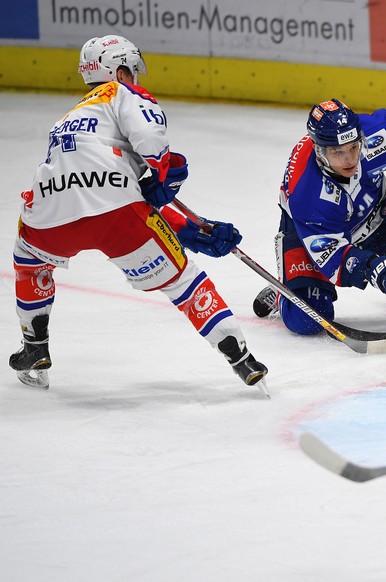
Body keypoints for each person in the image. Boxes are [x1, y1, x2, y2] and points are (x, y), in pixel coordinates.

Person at [10, 35, 267, 392]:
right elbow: (143, 153)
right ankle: (241, 359)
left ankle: (34, 348)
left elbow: (83, 188)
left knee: (29, 261)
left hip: (48, 209)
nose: (136, 79)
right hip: (116, 211)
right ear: (117, 70)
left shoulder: (67, 120)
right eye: (131, 70)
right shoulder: (122, 93)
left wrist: (186, 225)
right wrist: (163, 172)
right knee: (183, 282)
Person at [252, 99, 386, 334]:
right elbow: (333, 257)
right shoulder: (306, 192)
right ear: (319, 151)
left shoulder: (379, 134)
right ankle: (285, 290)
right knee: (308, 321)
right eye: (338, 152)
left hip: (376, 215)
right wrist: (375, 267)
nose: (350, 159)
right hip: (312, 231)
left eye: (353, 148)